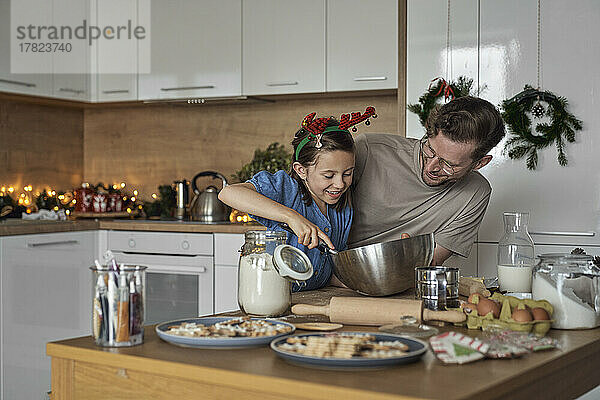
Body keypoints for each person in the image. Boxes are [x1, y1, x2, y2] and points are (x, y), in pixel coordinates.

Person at [219, 108, 376, 290]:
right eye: (328, 175)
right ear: (301, 170)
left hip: (314, 299)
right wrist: (291, 217)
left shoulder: (342, 206)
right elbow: (228, 193)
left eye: (347, 173)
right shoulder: (286, 189)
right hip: (276, 298)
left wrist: (359, 283)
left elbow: (328, 267)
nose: (340, 184)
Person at [348, 96, 505, 266]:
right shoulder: (369, 149)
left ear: (480, 163)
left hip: (400, 282)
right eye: (429, 149)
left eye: (449, 164)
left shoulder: (476, 193)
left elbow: (430, 262)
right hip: (336, 273)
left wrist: (409, 257)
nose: (431, 167)